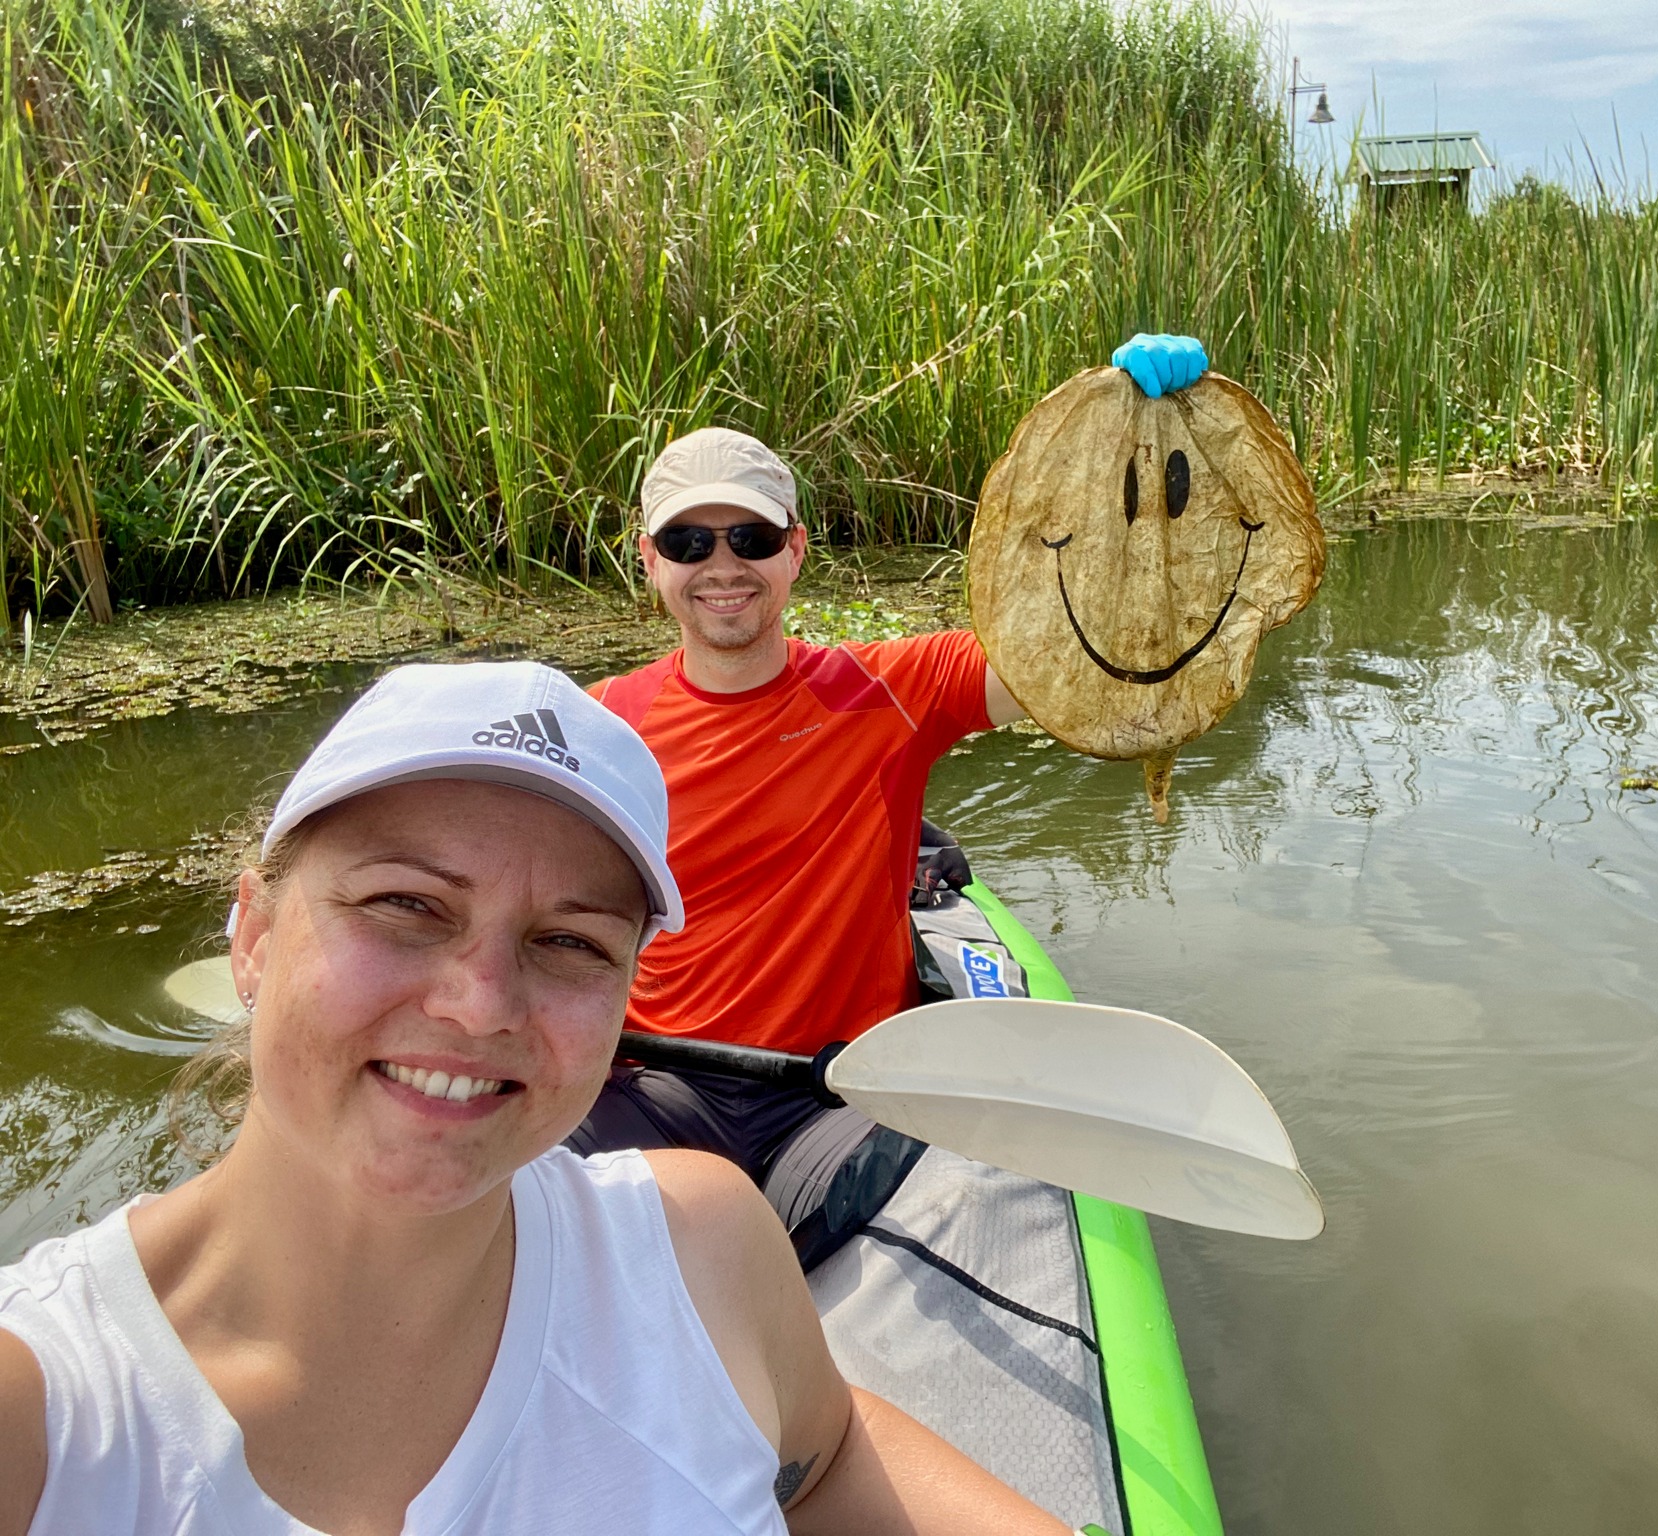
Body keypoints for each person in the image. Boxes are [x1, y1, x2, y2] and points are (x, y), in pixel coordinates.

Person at [0, 662, 1070, 1535]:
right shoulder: (39, 1415)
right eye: (406, 905)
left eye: (568, 941)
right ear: (254, 936)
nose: (479, 1006)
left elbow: (826, 1459)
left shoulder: (698, 1241)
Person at [571, 334, 1210, 1182]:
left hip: (845, 1097)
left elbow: (1097, 650)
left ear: (795, 550)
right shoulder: (600, 726)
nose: (722, 565)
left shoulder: (890, 691)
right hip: (664, 1085)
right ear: (649, 561)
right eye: (689, 544)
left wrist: (1127, 437)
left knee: (980, 1177)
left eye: (751, 539)